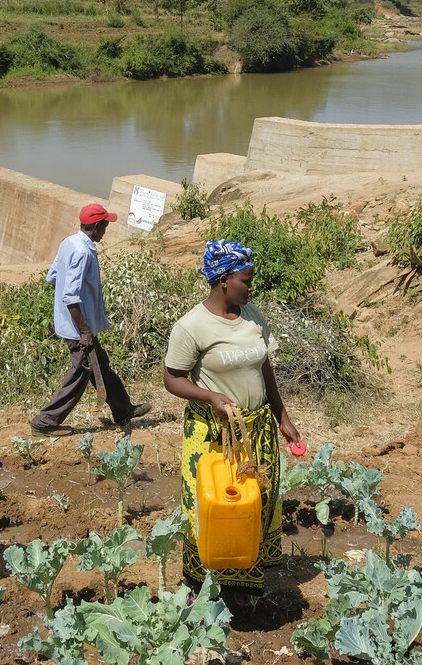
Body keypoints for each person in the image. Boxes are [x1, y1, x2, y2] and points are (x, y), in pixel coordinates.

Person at [163, 239, 301, 593]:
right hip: (214, 435)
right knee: (213, 508)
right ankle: (201, 585)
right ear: (223, 280)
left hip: (257, 430)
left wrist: (281, 415)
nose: (251, 287)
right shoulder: (192, 326)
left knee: (254, 506)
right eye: (246, 280)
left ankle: (245, 588)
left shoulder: (252, 316)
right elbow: (172, 378)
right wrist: (209, 396)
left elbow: (264, 366)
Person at [30, 203, 151, 434]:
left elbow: (53, 276)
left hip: (75, 323)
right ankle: (44, 423)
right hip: (78, 328)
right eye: (105, 224)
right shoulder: (83, 252)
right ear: (96, 226)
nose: (106, 229)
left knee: (101, 366)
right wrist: (84, 330)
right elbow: (69, 296)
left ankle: (123, 410)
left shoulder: (69, 242)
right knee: (81, 373)